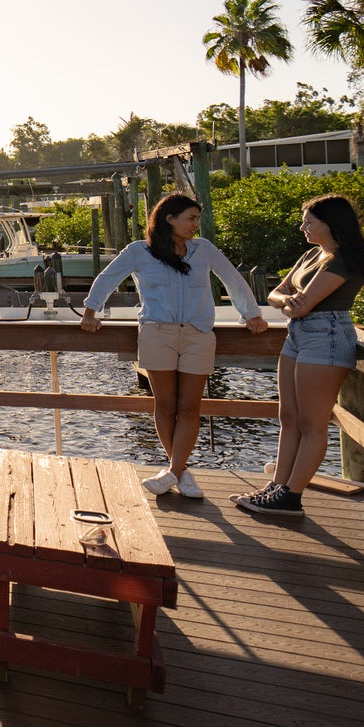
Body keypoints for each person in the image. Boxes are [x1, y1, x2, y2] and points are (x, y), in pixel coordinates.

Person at [80, 192, 267, 498]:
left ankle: (173, 472)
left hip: (198, 334)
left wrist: (252, 315)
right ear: (169, 219)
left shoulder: (203, 249)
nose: (197, 224)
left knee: (190, 406)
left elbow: (233, 279)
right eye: (191, 218)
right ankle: (180, 471)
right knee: (165, 406)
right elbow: (107, 277)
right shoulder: (139, 251)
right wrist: (91, 312)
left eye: (197, 218)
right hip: (157, 333)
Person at [236, 194, 364, 518]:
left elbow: (304, 302)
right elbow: (277, 294)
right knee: (288, 417)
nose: (303, 227)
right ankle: (277, 487)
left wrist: (290, 301)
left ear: (330, 224)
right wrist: (287, 301)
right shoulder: (310, 256)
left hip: (326, 336)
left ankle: (291, 496)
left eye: (309, 222)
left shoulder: (343, 260)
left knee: (311, 423)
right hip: (298, 334)